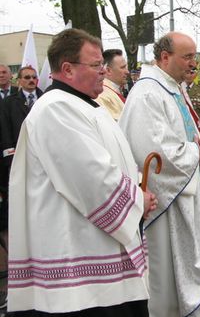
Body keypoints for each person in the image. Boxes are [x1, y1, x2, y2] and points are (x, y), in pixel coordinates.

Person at [8, 28, 157, 316]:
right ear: (67, 69)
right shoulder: (56, 109)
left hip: (99, 251)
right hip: (78, 268)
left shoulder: (86, 106)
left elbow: (112, 163)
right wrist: (138, 200)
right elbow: (93, 179)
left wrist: (138, 188)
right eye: (95, 65)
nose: (103, 71)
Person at [120, 33, 200, 317]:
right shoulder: (147, 93)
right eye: (187, 57)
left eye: (194, 56)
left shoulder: (171, 88)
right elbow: (152, 152)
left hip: (187, 190)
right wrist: (194, 154)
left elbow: (183, 133)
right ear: (164, 57)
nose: (193, 63)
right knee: (170, 272)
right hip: (167, 202)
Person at [1, 66, 43, 160]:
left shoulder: (46, 98)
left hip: (44, 151)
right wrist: (10, 155)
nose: (31, 80)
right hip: (21, 153)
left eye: (34, 77)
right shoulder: (8, 103)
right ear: (19, 80)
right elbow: (6, 130)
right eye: (27, 77)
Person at [95, 49, 129, 120]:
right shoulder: (103, 95)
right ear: (108, 70)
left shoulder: (113, 90)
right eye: (123, 67)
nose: (127, 72)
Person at [182, 68, 200, 132]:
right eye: (187, 73)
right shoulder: (177, 89)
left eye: (192, 73)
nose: (189, 76)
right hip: (182, 128)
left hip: (198, 129)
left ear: (196, 74)